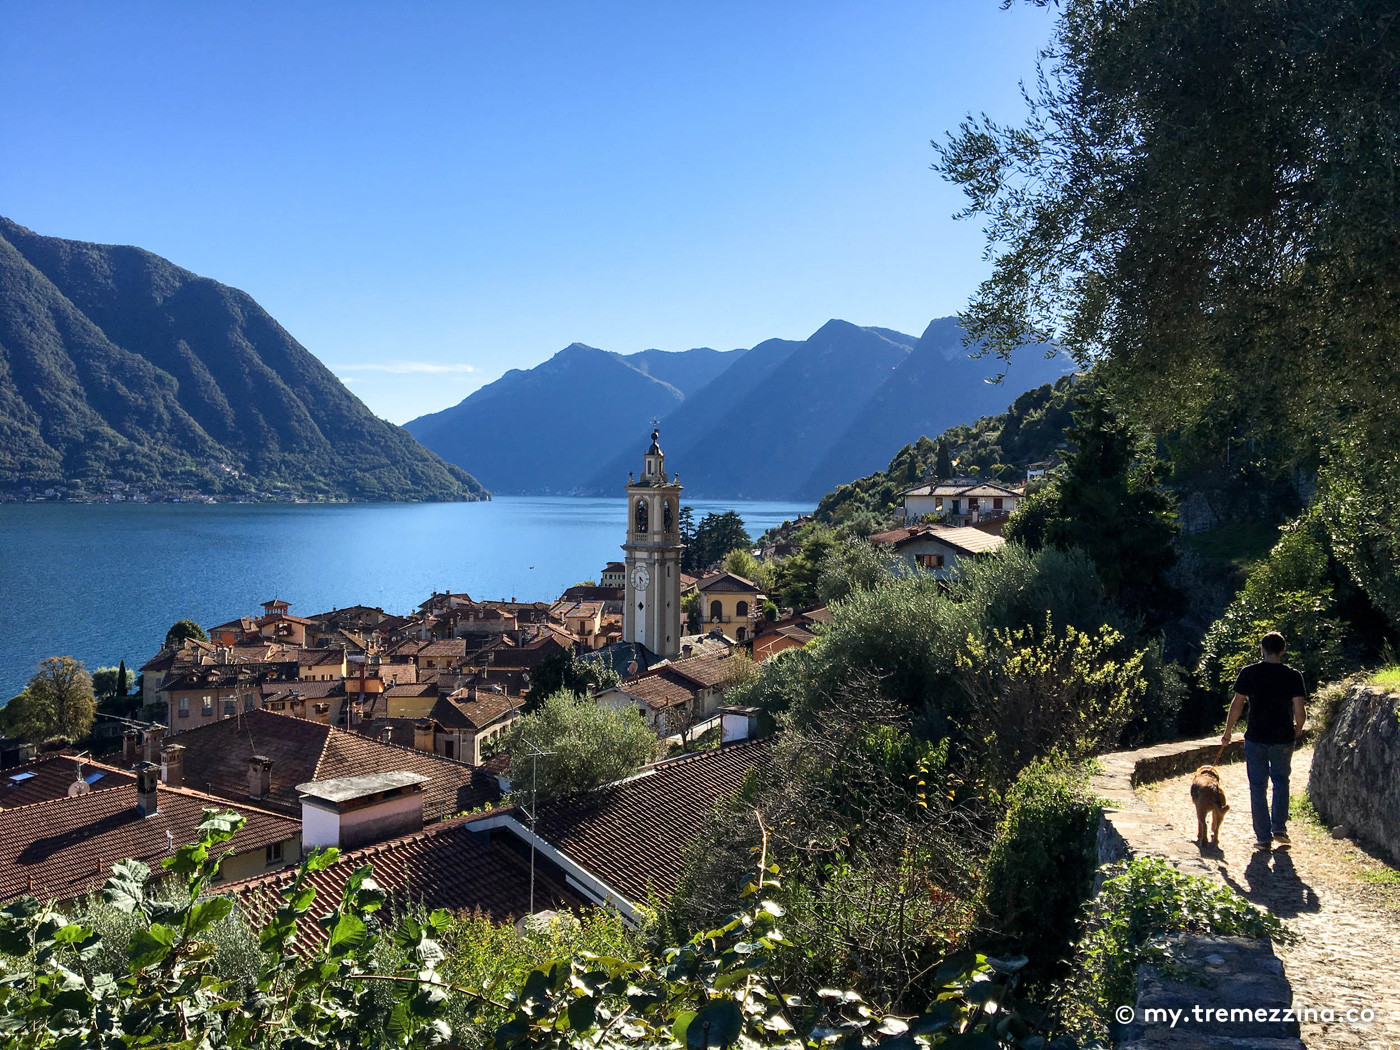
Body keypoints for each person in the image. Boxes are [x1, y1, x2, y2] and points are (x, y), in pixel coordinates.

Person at [1221, 631, 1307, 851]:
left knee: (1257, 786)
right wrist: (1298, 727)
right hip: (1283, 737)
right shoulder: (1293, 675)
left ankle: (1263, 837)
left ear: (1262, 649)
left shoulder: (1249, 673)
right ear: (1283, 651)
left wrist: (1228, 732)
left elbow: (1237, 704)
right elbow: (1299, 707)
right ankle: (1279, 828)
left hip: (1256, 737)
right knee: (1281, 781)